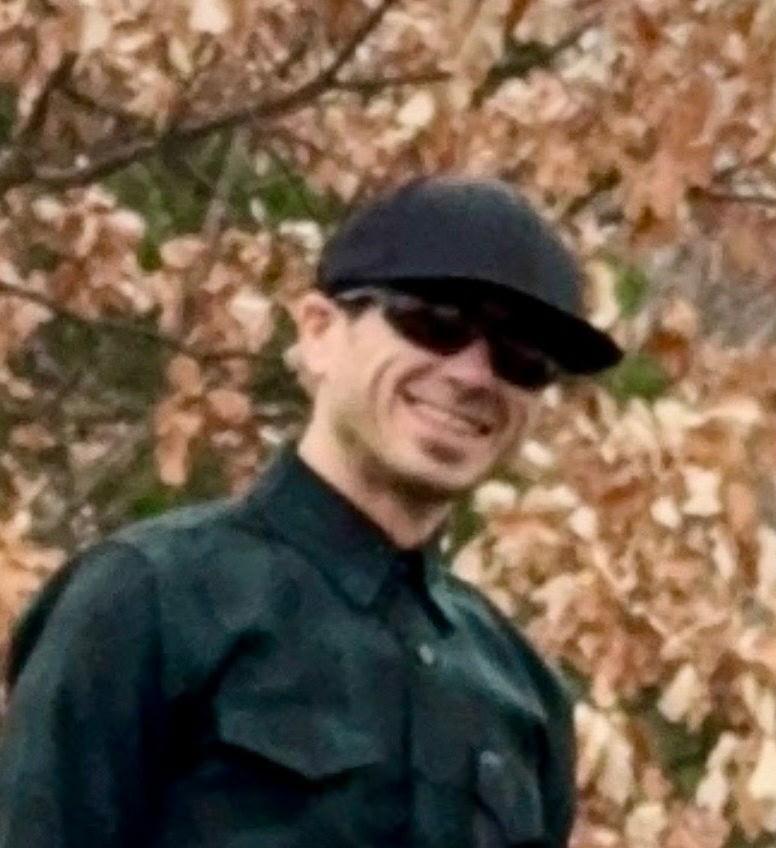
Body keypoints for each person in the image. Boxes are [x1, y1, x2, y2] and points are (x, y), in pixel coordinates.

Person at [0, 175, 622, 847]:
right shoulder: (145, 600)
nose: (473, 375)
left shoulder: (523, 691)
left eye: (522, 356)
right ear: (320, 331)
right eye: (434, 323)